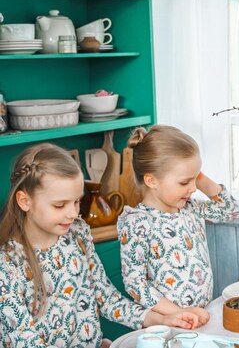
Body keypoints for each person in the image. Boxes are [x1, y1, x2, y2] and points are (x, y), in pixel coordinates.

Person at [0, 143, 199, 348]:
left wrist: (159, 320)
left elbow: (106, 297)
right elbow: (24, 341)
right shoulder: (8, 262)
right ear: (25, 201)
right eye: (60, 205)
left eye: (77, 201)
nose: (73, 213)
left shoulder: (77, 234)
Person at [117, 125, 239, 325]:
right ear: (151, 180)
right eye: (184, 183)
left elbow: (231, 210)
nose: (193, 188)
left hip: (201, 315)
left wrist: (197, 176)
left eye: (195, 180)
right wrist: (179, 313)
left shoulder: (190, 208)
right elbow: (135, 284)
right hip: (169, 323)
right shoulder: (137, 222)